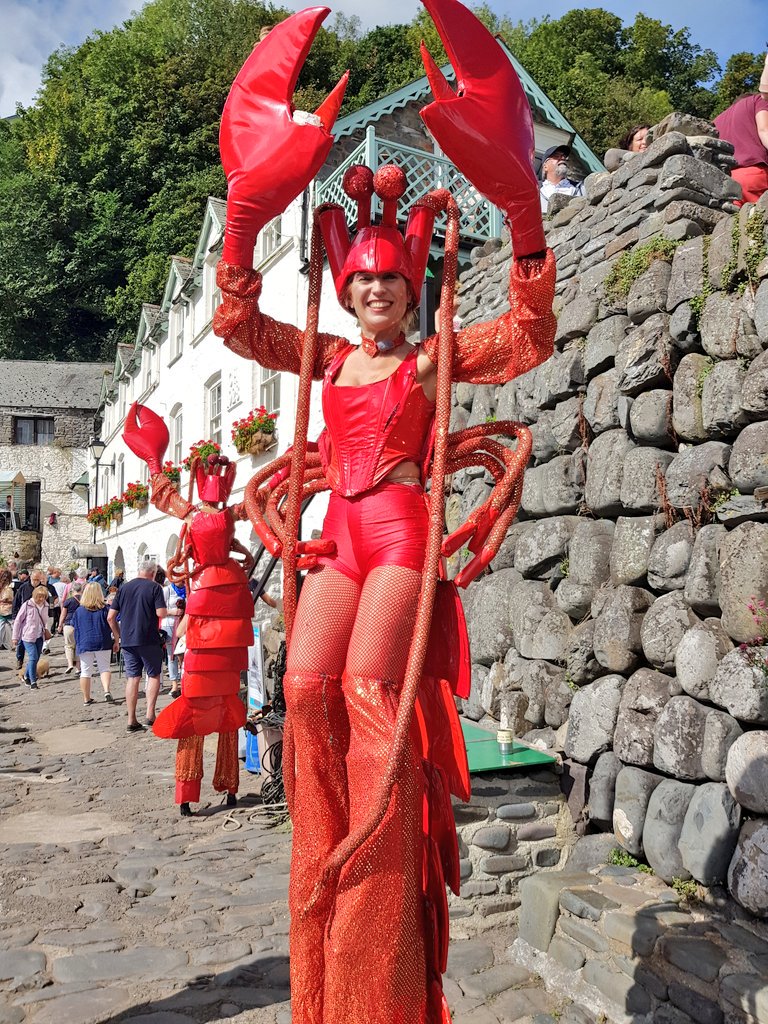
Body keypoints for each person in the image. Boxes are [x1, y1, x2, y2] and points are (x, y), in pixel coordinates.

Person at [209, 3, 556, 1021]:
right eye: (360, 286)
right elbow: (237, 325)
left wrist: (524, 216)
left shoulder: (435, 357)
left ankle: (379, 912)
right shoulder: (324, 352)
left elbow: (530, 334)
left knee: (372, 693)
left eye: (390, 287)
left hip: (402, 528)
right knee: (308, 687)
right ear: (346, 289)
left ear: (412, 291)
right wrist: (240, 223)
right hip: (339, 539)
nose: (374, 299)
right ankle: (324, 868)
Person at [122, 414, 255, 815]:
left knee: (197, 704)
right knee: (229, 702)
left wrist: (153, 462)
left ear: (199, 484)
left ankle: (187, 794)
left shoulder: (193, 516)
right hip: (230, 607)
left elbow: (161, 492)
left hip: (205, 612)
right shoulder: (230, 514)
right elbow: (260, 503)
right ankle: (230, 785)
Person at [107, 561, 167, 731]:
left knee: (133, 678)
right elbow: (160, 613)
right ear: (153, 573)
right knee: (154, 674)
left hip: (128, 640)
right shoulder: (155, 588)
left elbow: (111, 617)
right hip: (148, 638)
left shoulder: (124, 588)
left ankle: (131, 719)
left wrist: (118, 636)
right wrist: (173, 612)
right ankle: (150, 714)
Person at [714, 59, 768, 206]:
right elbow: (765, 131)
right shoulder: (757, 100)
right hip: (753, 176)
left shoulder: (716, 120)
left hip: (724, 184)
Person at [71, 582, 119, 705]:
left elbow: (74, 626)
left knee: (86, 671)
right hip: (102, 641)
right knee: (104, 668)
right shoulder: (105, 609)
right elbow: (111, 623)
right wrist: (117, 639)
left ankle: (86, 698)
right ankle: (106, 691)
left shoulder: (79, 611)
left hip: (85, 642)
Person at [12, 585, 51, 689]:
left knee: (36, 658)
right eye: (39, 596)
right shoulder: (27, 605)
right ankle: (33, 681)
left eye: (43, 596)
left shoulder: (46, 606)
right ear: (35, 595)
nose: (41, 599)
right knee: (33, 657)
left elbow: (45, 621)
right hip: (28, 636)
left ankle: (26, 675)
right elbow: (18, 621)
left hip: (39, 636)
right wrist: (15, 637)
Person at [539, 144, 584, 212]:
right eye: (557, 156)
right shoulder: (535, 190)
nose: (563, 158)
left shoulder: (580, 188)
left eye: (564, 156)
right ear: (545, 166)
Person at [58, 581, 83, 674]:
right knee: (78, 646)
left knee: (69, 646)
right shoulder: (85, 600)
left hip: (69, 624)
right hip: (80, 625)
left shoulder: (68, 601)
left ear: (72, 590)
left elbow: (63, 614)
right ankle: (78, 668)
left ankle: (70, 664)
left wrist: (60, 625)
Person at [0, 568, 14, 649]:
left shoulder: (8, 589)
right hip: (3, 609)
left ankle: (12, 643)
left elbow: (8, 599)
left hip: (7, 609)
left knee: (11, 627)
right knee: (2, 627)